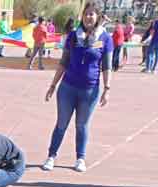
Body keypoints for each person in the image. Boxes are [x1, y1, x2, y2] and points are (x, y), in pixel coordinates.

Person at [41, 1, 113, 173]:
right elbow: (64, 62)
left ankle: (80, 158)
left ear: (97, 17)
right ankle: (51, 156)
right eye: (86, 14)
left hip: (90, 91)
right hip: (68, 88)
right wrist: (53, 85)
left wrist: (107, 89)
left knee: (82, 125)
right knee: (61, 123)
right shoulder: (74, 36)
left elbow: (107, 66)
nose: (88, 17)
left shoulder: (105, 39)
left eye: (92, 14)